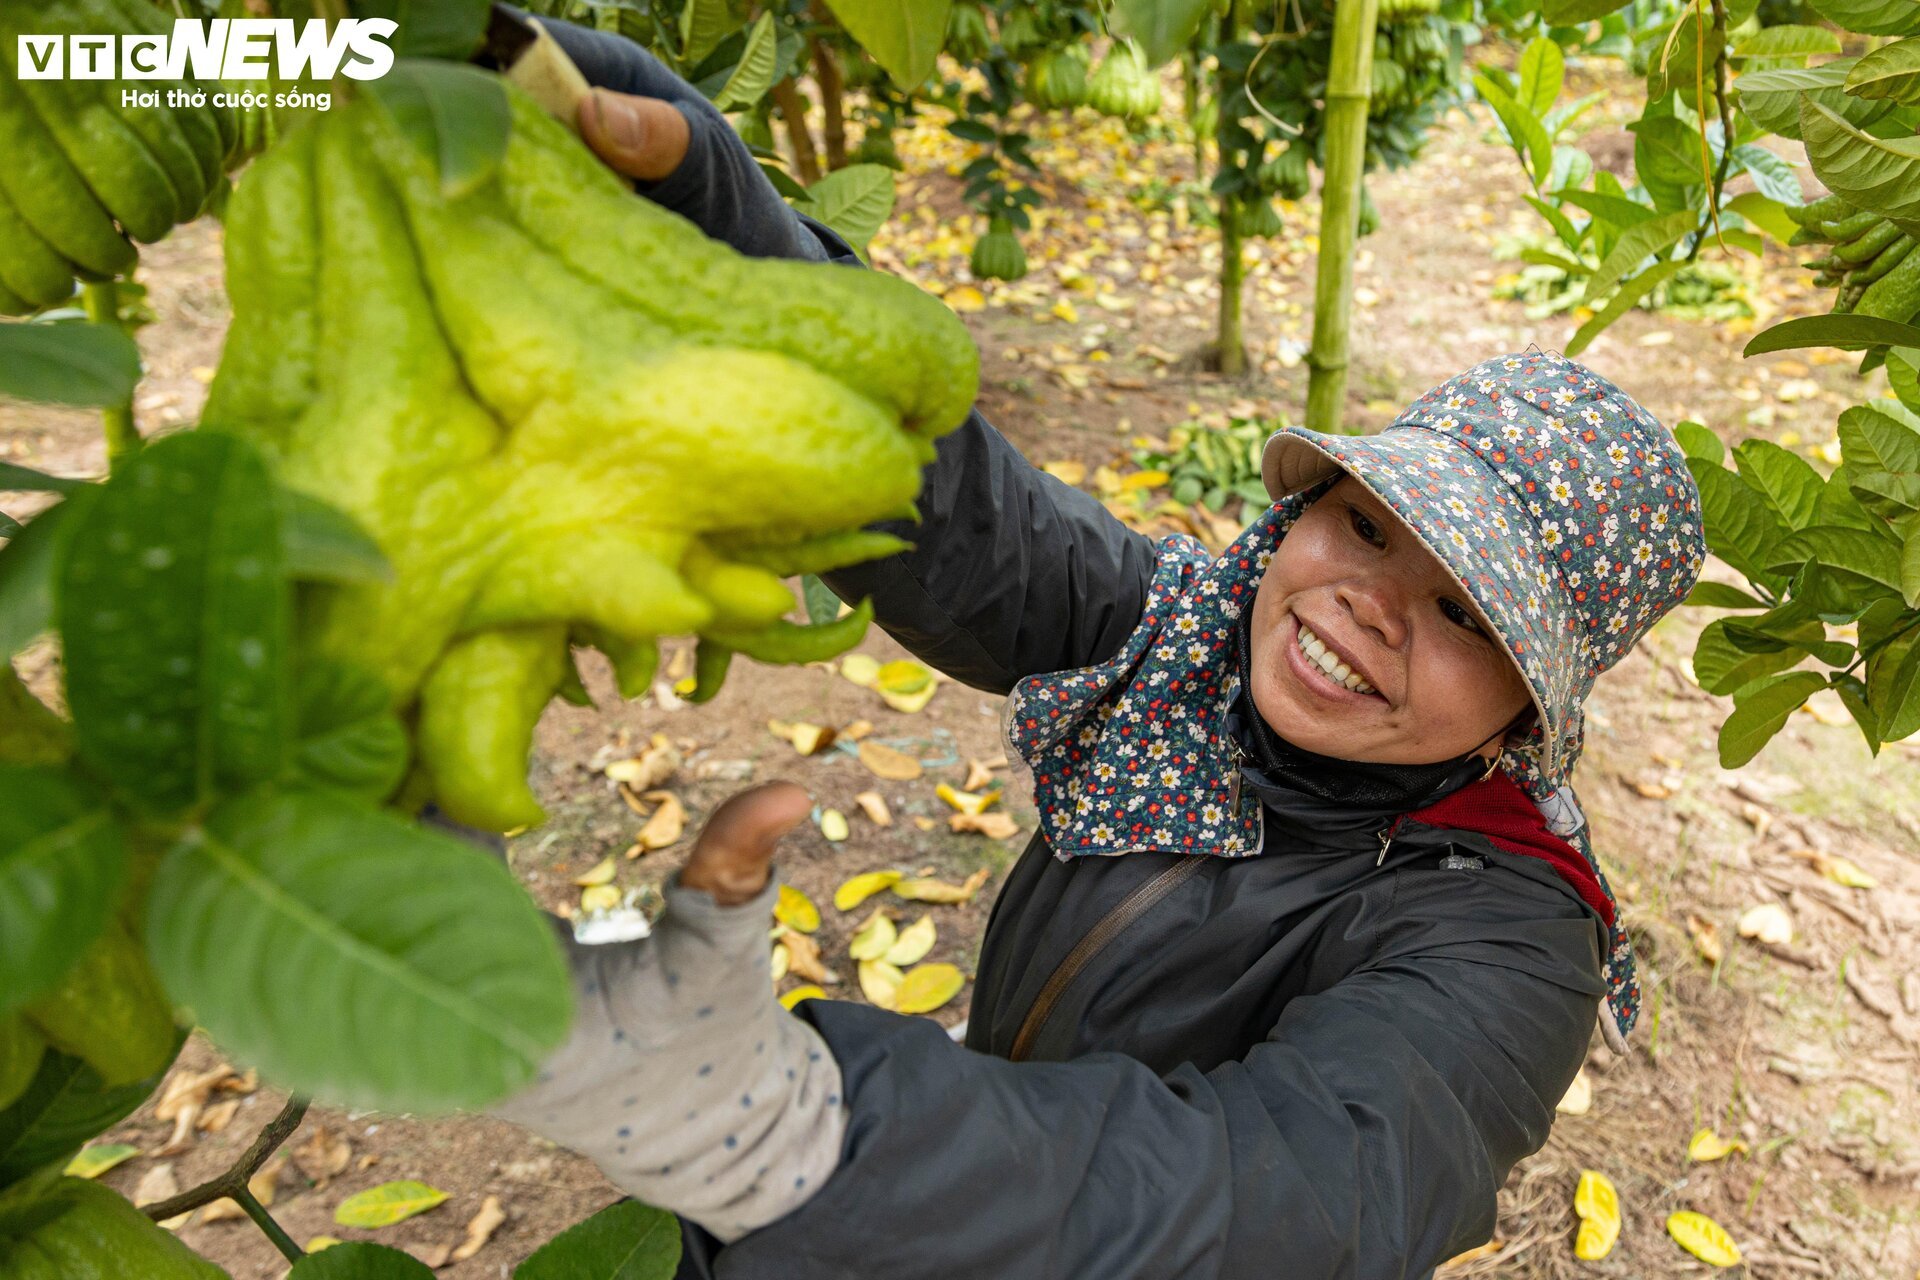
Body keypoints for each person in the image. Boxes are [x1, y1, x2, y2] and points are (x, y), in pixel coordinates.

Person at [482, 17, 1709, 1278]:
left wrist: (815, 1136)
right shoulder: (1191, 639)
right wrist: (698, 200)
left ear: (1525, 707)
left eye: (1462, 614)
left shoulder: (1511, 939)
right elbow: (956, 515)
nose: (1365, 603)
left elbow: (1292, 1193)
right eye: (1363, 525)